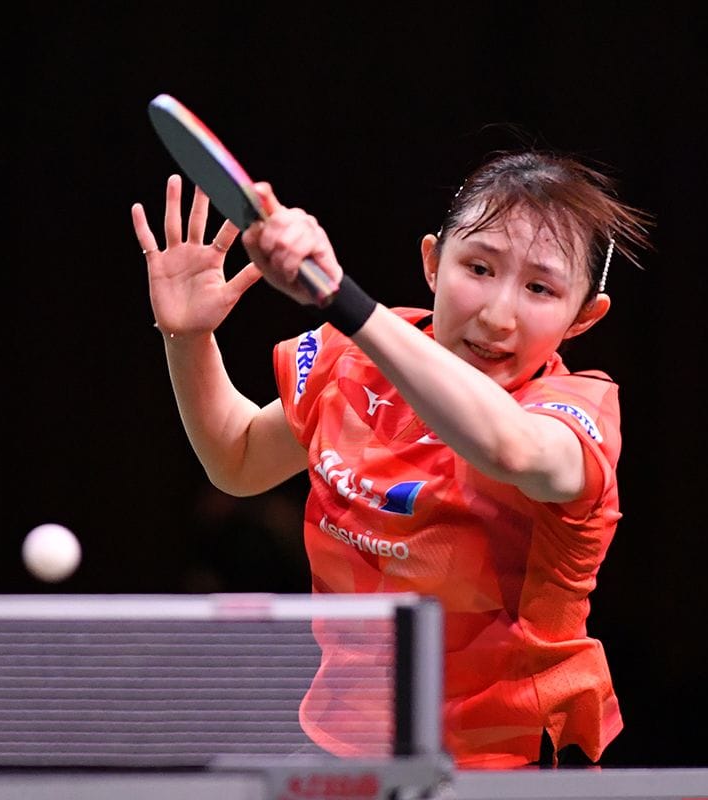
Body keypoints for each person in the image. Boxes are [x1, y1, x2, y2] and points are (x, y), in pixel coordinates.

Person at [130, 151, 651, 768]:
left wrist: (341, 299)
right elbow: (238, 459)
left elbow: (510, 448)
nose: (497, 315)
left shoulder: (574, 414)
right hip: (349, 741)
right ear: (432, 262)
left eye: (540, 288)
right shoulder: (352, 363)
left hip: (507, 764)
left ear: (584, 317)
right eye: (478, 267)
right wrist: (188, 337)